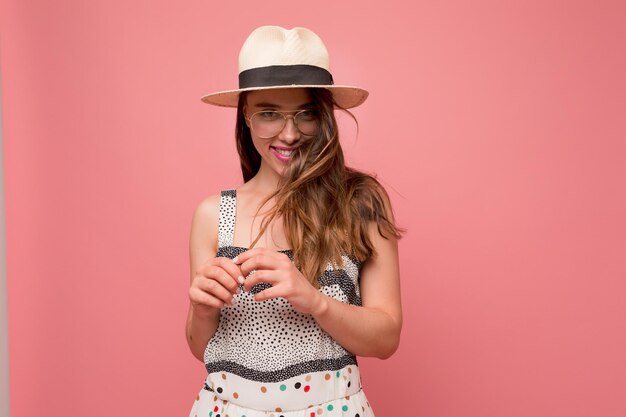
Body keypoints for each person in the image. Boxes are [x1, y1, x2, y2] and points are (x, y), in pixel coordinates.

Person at [186, 25, 404, 417]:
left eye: (305, 114)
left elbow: (386, 338)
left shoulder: (360, 203)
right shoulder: (212, 214)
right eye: (269, 113)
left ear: (324, 117)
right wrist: (201, 310)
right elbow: (201, 347)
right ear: (246, 116)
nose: (289, 134)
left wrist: (315, 300)